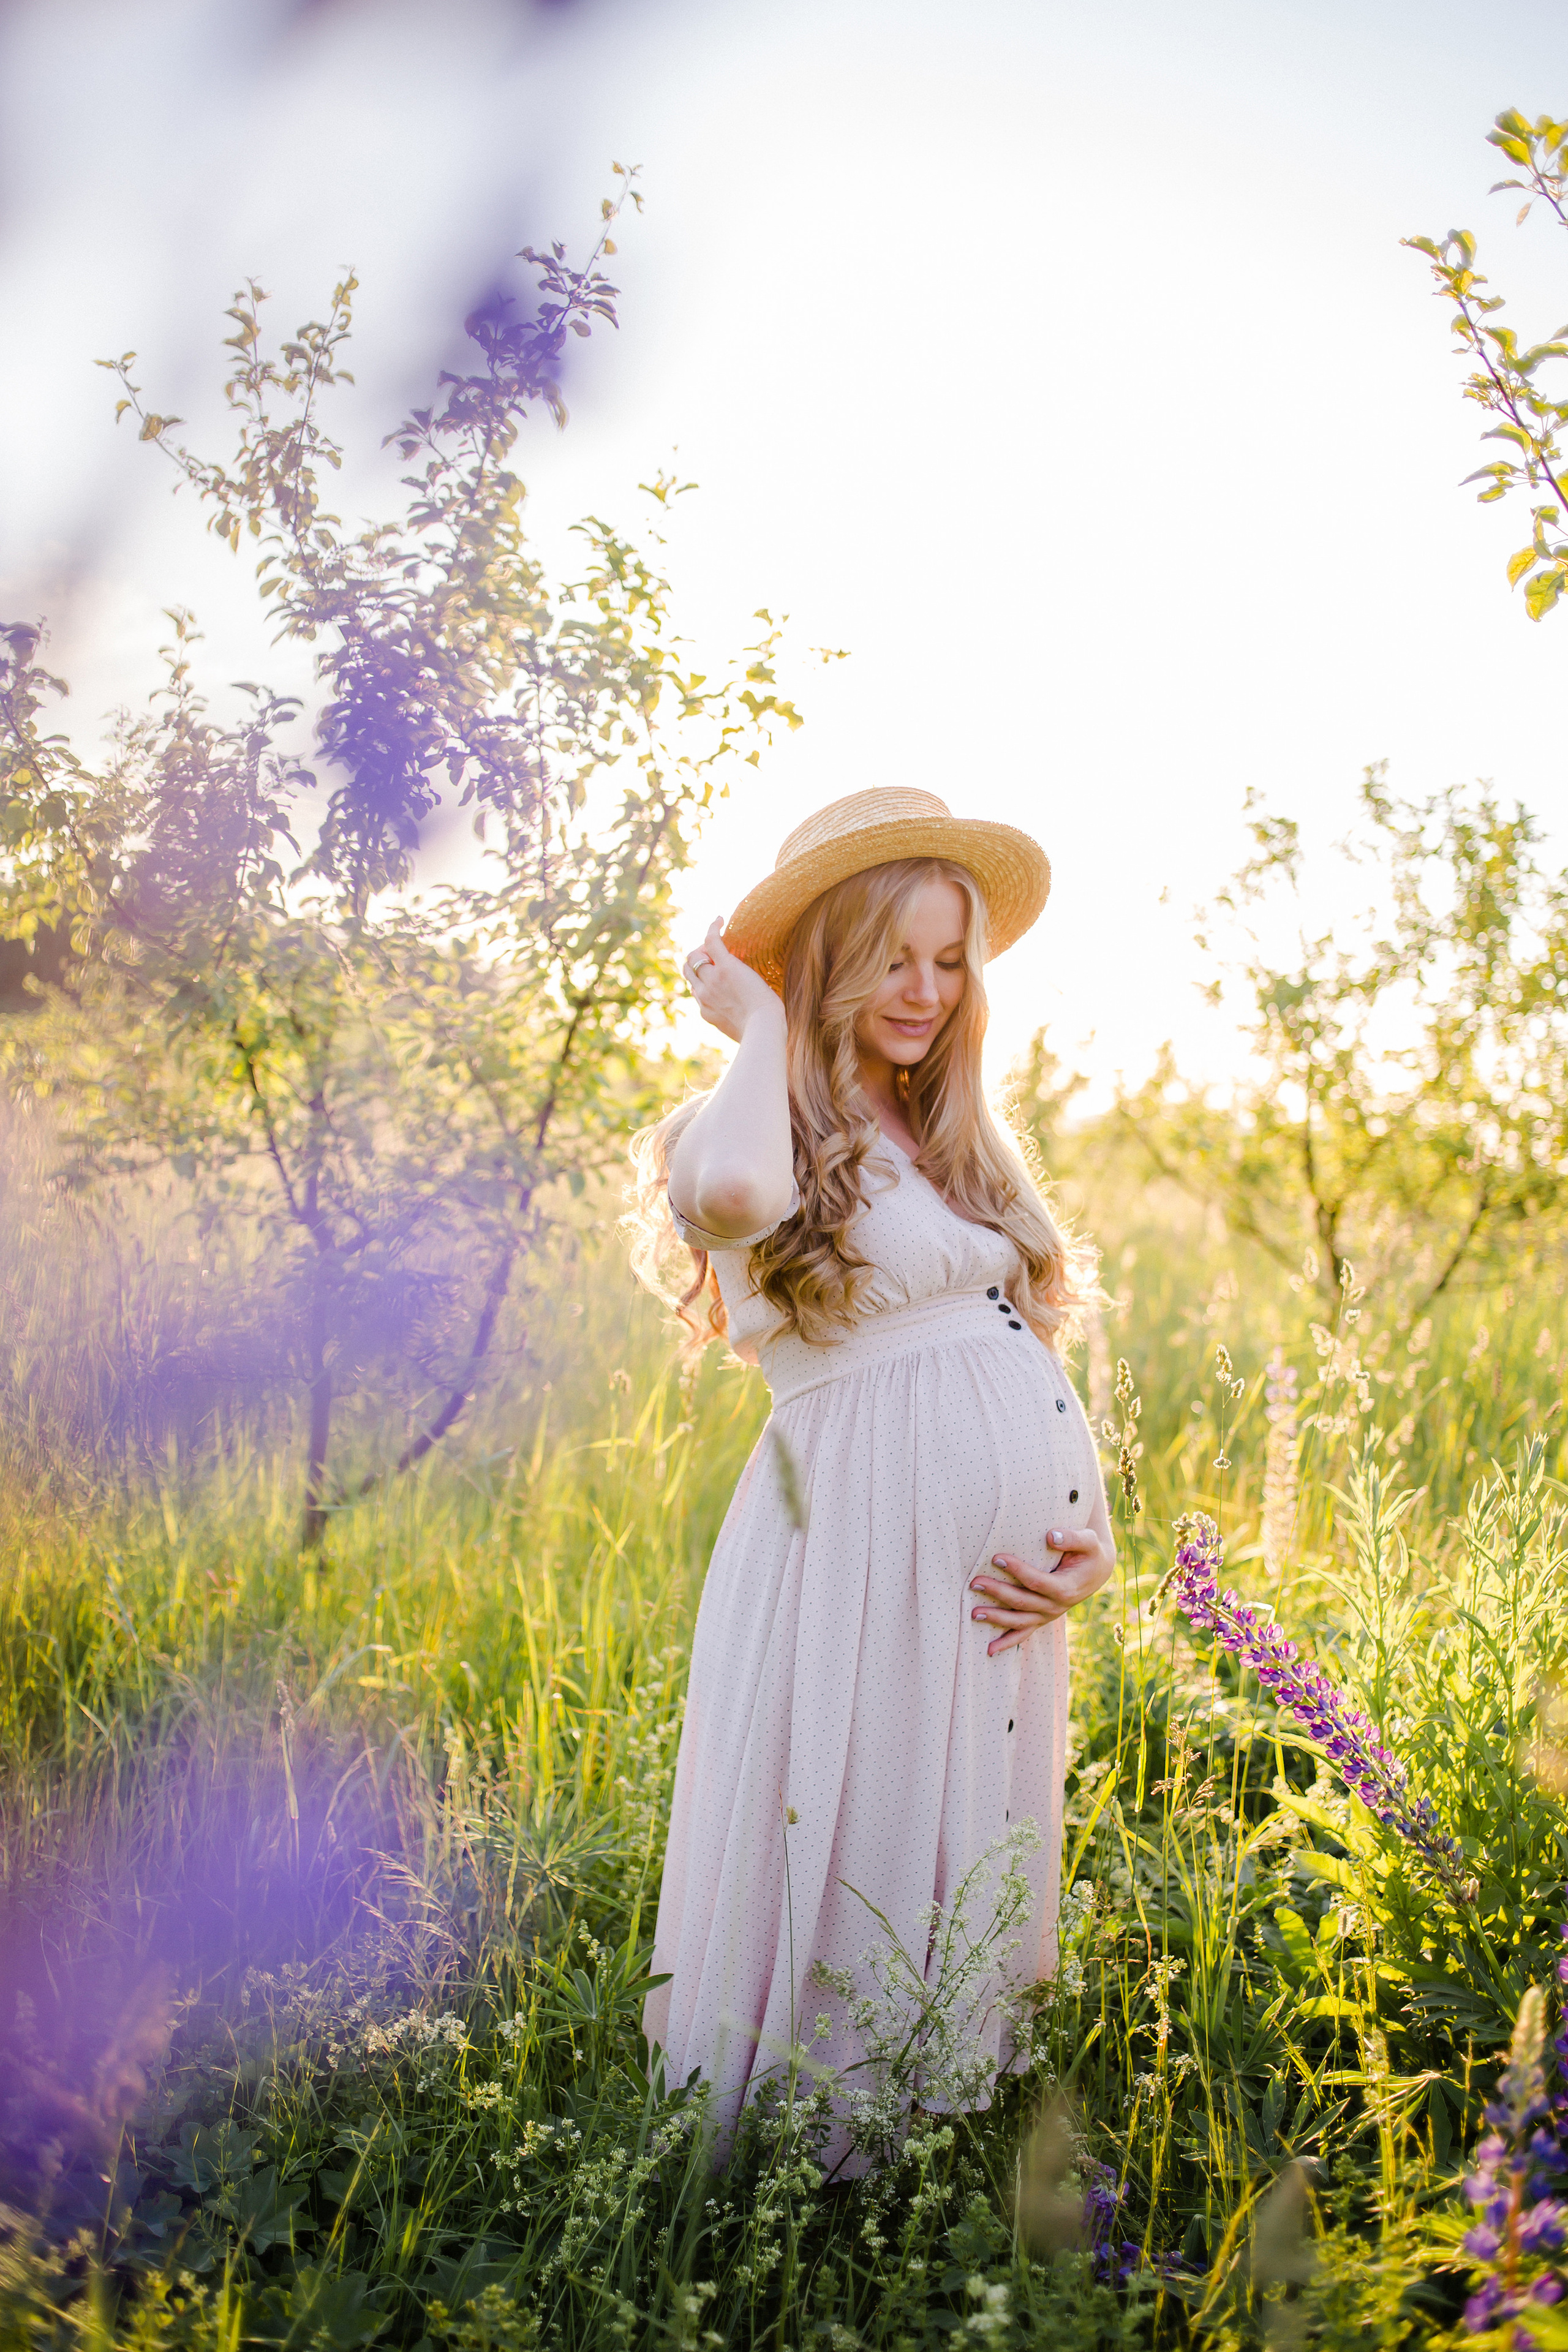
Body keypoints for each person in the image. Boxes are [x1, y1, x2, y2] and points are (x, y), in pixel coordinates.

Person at [625, 785, 1114, 2171]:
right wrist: (760, 1022)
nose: (926, 990)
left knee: (950, 1834)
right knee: (849, 1812)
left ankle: (924, 2144)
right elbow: (724, 1206)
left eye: (950, 960)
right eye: (893, 956)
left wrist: (1091, 1535)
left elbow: (1014, 1335)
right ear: (826, 956)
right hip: (855, 1539)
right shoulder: (739, 1123)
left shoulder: (952, 1134)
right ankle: (806, 2175)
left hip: (992, 1585)